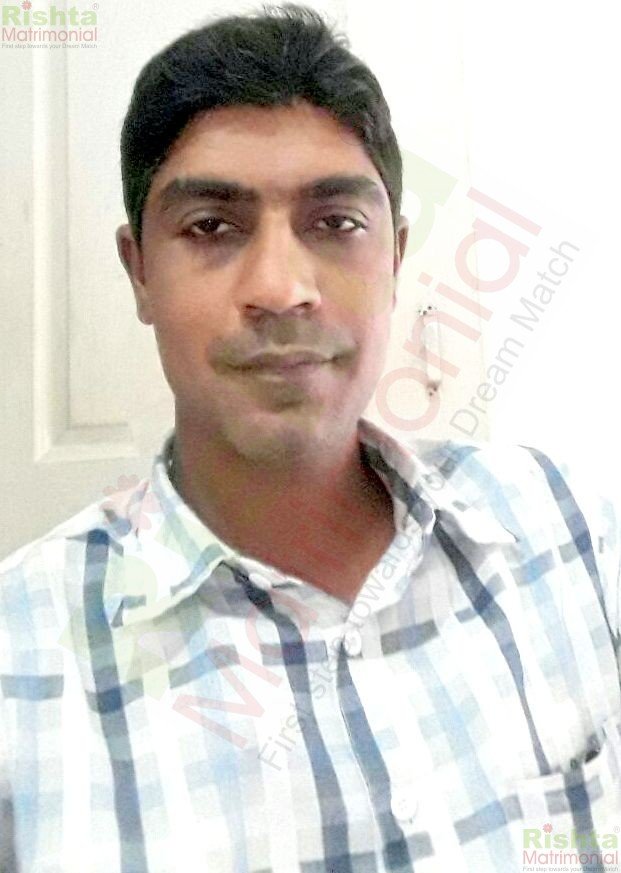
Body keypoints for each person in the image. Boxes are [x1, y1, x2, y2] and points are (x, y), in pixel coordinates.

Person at [1, 5, 619, 871]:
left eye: (334, 223)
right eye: (210, 226)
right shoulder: (21, 667)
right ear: (139, 271)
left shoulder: (568, 529)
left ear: (394, 257)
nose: (282, 287)